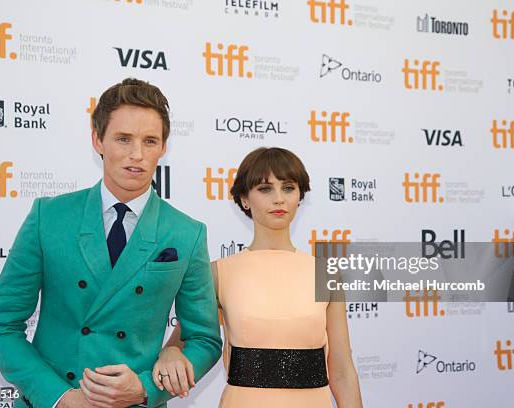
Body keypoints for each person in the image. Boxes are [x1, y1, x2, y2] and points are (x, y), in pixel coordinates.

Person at [0, 78, 222, 408]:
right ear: (98, 139)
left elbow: (204, 339)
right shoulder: (48, 217)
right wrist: (61, 397)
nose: (137, 154)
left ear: (163, 148)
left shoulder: (187, 232)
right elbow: (1, 327)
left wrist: (146, 388)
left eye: (150, 141)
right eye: (124, 138)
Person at [153, 147, 363, 407]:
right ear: (244, 199)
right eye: (265, 189)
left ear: (299, 196)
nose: (279, 199)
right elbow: (182, 344)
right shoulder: (218, 272)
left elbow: (342, 369)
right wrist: (169, 353)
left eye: (288, 188)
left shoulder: (327, 273)